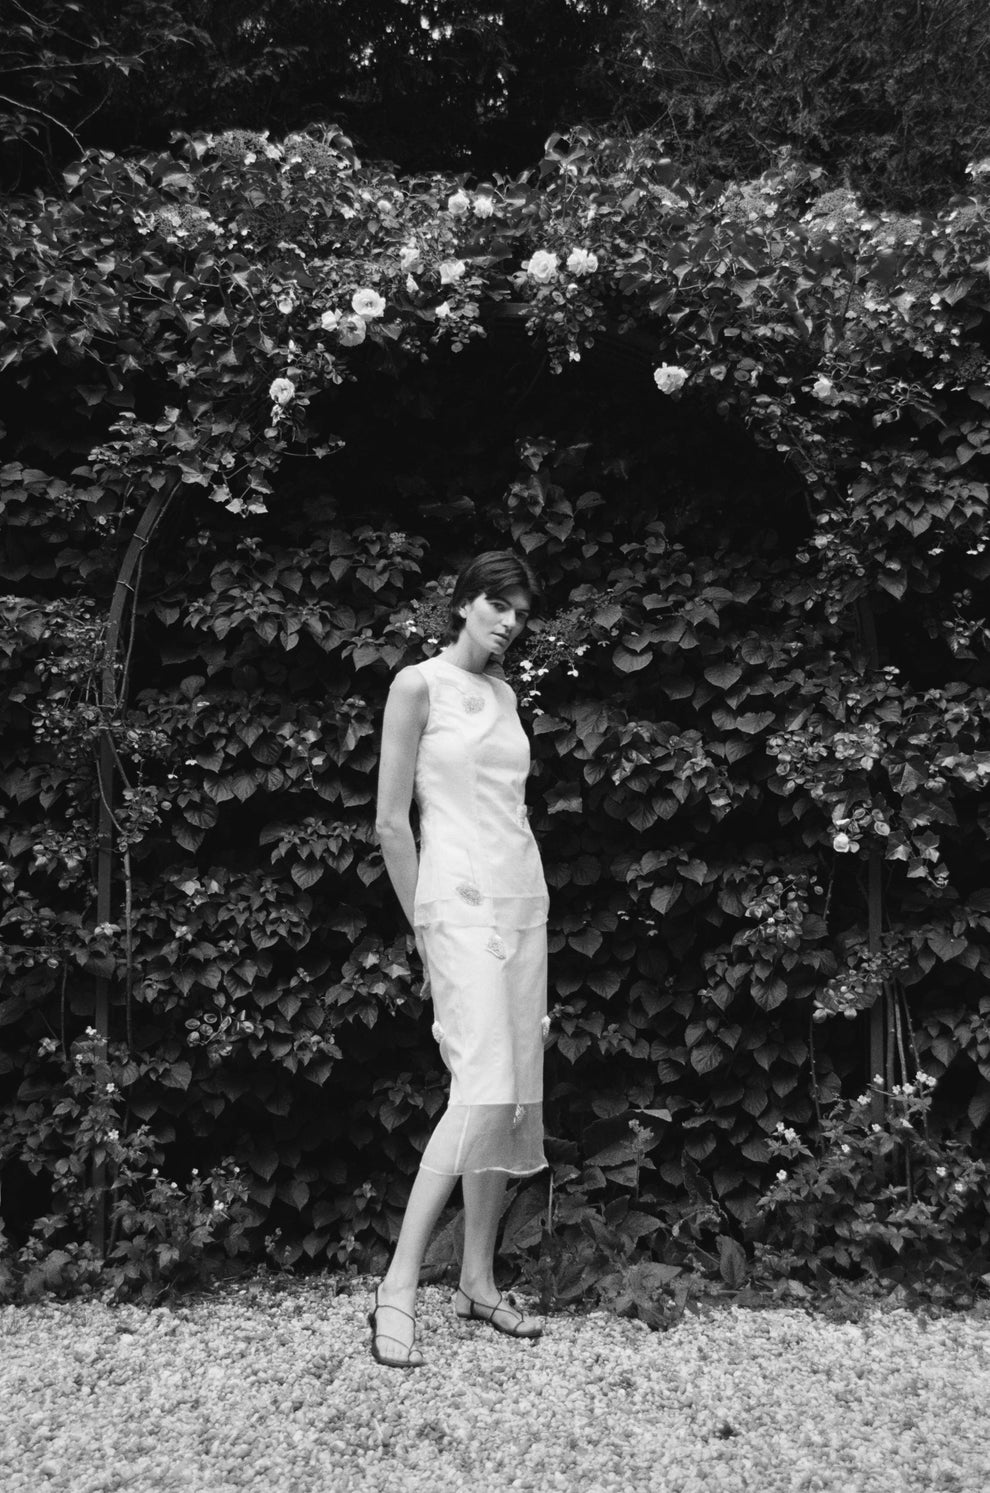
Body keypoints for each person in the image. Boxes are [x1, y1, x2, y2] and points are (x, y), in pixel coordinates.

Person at [370, 550, 550, 1368]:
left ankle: (478, 1278)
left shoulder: (508, 695)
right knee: (479, 1085)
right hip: (454, 902)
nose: (510, 620)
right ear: (463, 603)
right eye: (497, 603)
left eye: (520, 608)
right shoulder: (417, 686)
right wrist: (422, 925)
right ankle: (398, 1284)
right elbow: (390, 824)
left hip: (521, 899)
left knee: (510, 1095)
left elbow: (509, 805)